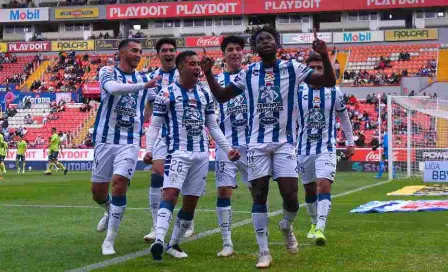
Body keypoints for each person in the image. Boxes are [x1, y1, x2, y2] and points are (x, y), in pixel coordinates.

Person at [200, 26, 336, 268]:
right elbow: (221, 96)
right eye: (260, 40)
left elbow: (327, 80)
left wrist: (324, 55)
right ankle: (264, 251)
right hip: (257, 144)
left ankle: (286, 225)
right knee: (259, 194)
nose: (265, 42)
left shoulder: (292, 68)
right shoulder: (249, 73)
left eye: (269, 38)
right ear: (255, 48)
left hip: (285, 143)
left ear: (277, 44)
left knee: (291, 198)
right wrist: (209, 73)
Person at [144, 51, 241, 261]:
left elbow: (212, 126)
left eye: (198, 64)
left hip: (201, 154)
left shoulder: (205, 93)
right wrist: (149, 149)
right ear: (181, 67)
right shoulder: (167, 93)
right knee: (170, 194)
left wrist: (227, 149)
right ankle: (159, 240)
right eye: (192, 64)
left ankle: (173, 243)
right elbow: (155, 125)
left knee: (191, 203)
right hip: (177, 152)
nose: (197, 67)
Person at [90, 39, 159, 256]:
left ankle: (109, 240)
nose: (139, 54)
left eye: (140, 51)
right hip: (105, 139)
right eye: (134, 50)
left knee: (119, 184)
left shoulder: (144, 78)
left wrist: (145, 117)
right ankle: (109, 210)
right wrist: (143, 86)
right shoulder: (107, 72)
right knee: (97, 193)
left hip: (129, 142)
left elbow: (153, 103)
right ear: (121, 53)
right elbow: (113, 89)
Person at [297, 54, 355, 246]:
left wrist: (350, 141)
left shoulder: (334, 91)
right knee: (309, 188)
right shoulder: (298, 91)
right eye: (312, 67)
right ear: (306, 71)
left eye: (319, 67)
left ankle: (321, 227)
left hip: (326, 147)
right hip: (303, 149)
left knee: (324, 184)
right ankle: (314, 223)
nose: (316, 71)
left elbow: (344, 118)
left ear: (325, 69)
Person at [213, 35, 250, 257]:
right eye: (230, 49)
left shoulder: (253, 77)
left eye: (238, 49)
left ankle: (261, 235)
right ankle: (227, 242)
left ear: (243, 52)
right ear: (223, 54)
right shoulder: (216, 81)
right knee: (224, 190)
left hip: (252, 144)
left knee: (258, 192)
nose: (235, 52)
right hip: (226, 143)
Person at [143, 38, 183, 242]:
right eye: (164, 50)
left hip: (182, 135)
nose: (168, 53)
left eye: (172, 50)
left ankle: (187, 222)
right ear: (158, 54)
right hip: (160, 134)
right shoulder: (151, 78)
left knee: (178, 179)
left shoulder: (183, 73)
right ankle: (155, 225)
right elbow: (149, 107)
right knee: (157, 175)